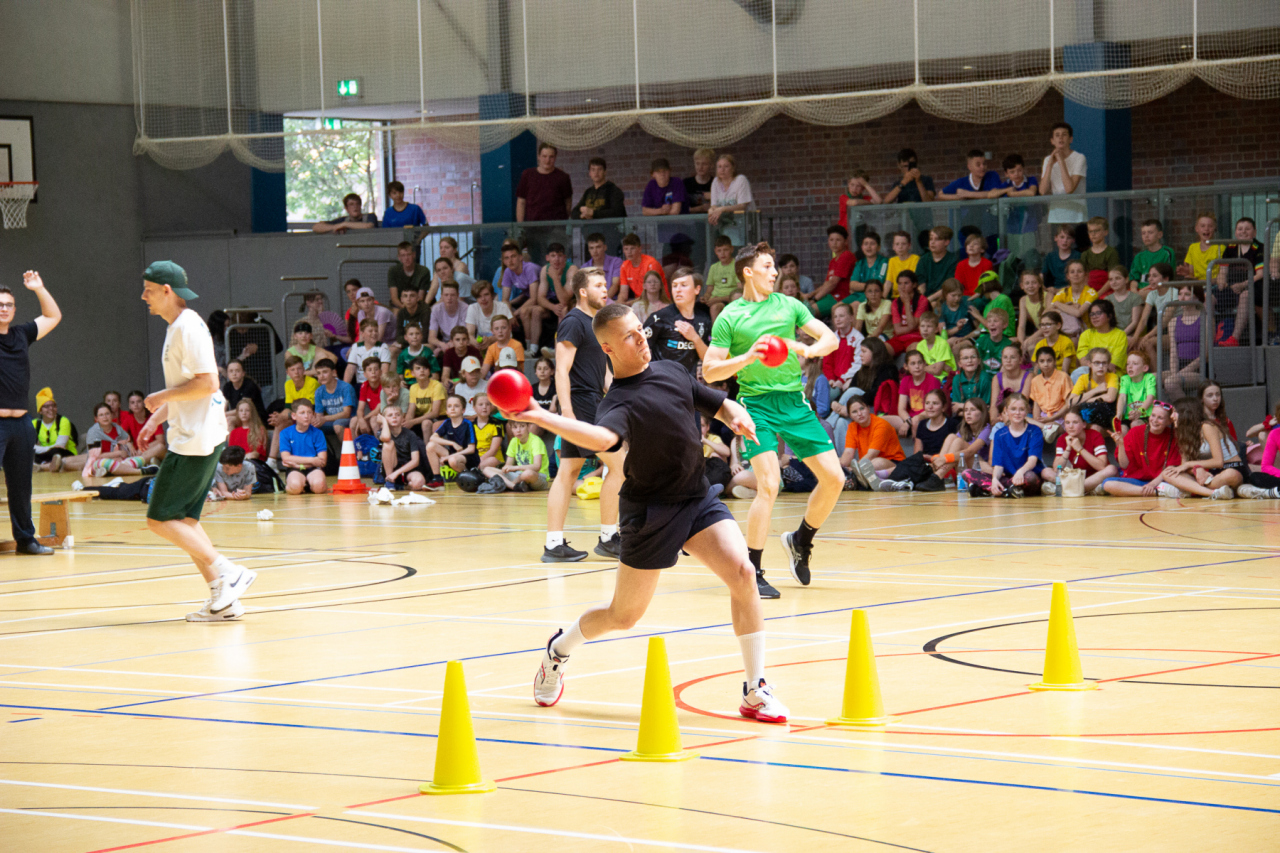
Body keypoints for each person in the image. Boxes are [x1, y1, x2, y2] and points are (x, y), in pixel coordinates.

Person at [516, 302, 789, 723]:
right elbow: (601, 439)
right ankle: (559, 650)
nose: (641, 338)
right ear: (608, 348)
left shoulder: (671, 371)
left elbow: (716, 404)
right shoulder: (617, 403)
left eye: (640, 330)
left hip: (696, 497)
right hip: (650, 513)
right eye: (628, 336)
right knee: (623, 616)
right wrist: (540, 416)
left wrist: (736, 413)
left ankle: (755, 690)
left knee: (743, 573)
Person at [703, 242, 842, 597]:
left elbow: (830, 339)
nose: (775, 271)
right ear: (748, 272)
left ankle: (801, 540)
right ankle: (753, 570)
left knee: (835, 479)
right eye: (767, 266)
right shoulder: (731, 316)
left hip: (794, 402)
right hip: (755, 406)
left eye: (774, 265)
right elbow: (710, 370)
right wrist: (748, 357)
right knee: (769, 484)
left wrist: (807, 348)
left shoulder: (790, 305)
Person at [135, 261, 255, 619]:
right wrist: (157, 417)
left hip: (195, 440)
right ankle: (223, 598)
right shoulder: (177, 326)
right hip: (196, 433)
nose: (143, 296)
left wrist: (160, 397)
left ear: (167, 291)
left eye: (148, 290)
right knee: (186, 520)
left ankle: (229, 572)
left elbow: (208, 383)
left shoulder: (188, 327)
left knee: (158, 519)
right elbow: (187, 388)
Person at [543, 268, 627, 562]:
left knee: (568, 472)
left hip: (593, 401)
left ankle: (554, 544)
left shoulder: (596, 325)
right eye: (598, 285)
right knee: (620, 466)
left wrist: (621, 398)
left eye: (605, 285)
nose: (605, 289)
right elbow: (561, 370)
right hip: (580, 404)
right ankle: (608, 537)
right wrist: (567, 412)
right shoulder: (573, 322)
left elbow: (604, 374)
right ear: (582, 291)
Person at [1159, 397, 1243, 499]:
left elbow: (1218, 462)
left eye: (1175, 412)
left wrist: (1192, 465)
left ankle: (1194, 490)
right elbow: (1183, 467)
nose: (1171, 416)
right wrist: (1196, 469)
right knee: (1168, 473)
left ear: (1187, 413)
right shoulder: (1183, 433)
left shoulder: (1207, 427)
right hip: (1210, 475)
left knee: (1231, 475)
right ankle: (1213, 493)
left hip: (1229, 469)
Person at [1102, 401, 1182, 497]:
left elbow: (1171, 468)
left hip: (1162, 481)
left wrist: (1152, 484)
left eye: (1160, 418)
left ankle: (1148, 491)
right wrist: (1121, 444)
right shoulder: (1135, 432)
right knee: (1107, 483)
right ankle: (1157, 492)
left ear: (1169, 421)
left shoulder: (1174, 436)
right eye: (1153, 415)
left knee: (1178, 483)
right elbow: (1124, 465)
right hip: (1138, 481)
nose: (1155, 420)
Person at [643, 267, 712, 377]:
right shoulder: (659, 318)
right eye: (674, 286)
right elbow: (637, 348)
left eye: (683, 285)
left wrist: (695, 338)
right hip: (662, 382)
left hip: (688, 383)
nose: (678, 290)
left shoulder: (703, 320)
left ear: (697, 289)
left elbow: (709, 359)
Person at [1040, 407, 1117, 496]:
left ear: (1084, 424)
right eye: (1067, 422)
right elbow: (1057, 469)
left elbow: (1102, 466)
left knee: (1111, 469)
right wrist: (1068, 448)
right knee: (1046, 471)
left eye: (1075, 422)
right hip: (1074, 477)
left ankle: (1067, 489)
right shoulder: (1062, 439)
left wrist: (1080, 449)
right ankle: (1084, 490)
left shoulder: (1095, 436)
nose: (1070, 426)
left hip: (1093, 478)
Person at [1218, 216, 1266, 347]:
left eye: (1247, 229)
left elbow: (1260, 274)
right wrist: (1221, 282)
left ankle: (1234, 338)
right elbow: (1222, 272)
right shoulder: (1230, 248)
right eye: (1240, 229)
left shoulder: (1260, 248)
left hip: (1254, 287)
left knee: (1245, 295)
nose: (1243, 232)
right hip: (1232, 287)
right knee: (1209, 298)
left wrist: (1242, 285)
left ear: (1254, 232)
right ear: (1235, 232)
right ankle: (1208, 341)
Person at [840, 397, 905, 481]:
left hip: (894, 463)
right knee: (837, 461)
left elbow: (872, 454)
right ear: (850, 416)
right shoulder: (852, 427)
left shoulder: (881, 425)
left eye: (862, 409)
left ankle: (859, 478)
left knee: (875, 463)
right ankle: (864, 479)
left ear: (868, 408)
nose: (859, 413)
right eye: (854, 412)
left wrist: (853, 470)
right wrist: (840, 466)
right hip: (866, 463)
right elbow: (848, 452)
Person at [1039, 121, 1088, 227]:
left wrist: (1061, 161)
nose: (1060, 138)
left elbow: (1069, 189)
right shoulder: (1047, 160)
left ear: (1070, 139)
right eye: (1057, 135)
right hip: (1056, 213)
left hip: (1076, 213)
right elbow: (1042, 191)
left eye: (1064, 135)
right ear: (1052, 141)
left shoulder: (1079, 158)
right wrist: (1050, 165)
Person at [498, 243, 545, 351]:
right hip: (527, 297)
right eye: (507, 258)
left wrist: (513, 315)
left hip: (544, 298)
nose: (510, 261)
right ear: (504, 261)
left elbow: (534, 299)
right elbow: (505, 299)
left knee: (523, 311)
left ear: (520, 257)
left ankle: (529, 348)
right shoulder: (508, 271)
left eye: (513, 256)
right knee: (503, 310)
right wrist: (509, 315)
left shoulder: (530, 268)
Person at [425, 394, 477, 490]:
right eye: (449, 406)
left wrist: (448, 457)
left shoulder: (468, 424)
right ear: (447, 411)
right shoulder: (447, 422)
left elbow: (471, 449)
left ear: (463, 410)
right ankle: (438, 480)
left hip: (467, 457)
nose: (452, 409)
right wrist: (452, 443)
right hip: (453, 455)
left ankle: (469, 477)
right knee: (430, 446)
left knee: (453, 460)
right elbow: (433, 438)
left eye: (456, 406)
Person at [482, 418, 549, 493]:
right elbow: (508, 465)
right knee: (487, 469)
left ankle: (509, 485)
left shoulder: (536, 441)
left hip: (537, 477)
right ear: (511, 429)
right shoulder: (514, 441)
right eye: (515, 427)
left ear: (528, 426)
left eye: (522, 426)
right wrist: (505, 468)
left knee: (527, 474)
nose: (518, 430)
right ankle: (513, 486)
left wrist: (515, 468)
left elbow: (537, 467)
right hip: (519, 475)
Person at [278, 399, 329, 495]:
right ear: (294, 416)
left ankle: (309, 485)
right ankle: (298, 485)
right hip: (295, 469)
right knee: (295, 487)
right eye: (302, 413)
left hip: (313, 468)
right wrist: (312, 460)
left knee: (319, 486)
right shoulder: (285, 433)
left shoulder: (318, 433)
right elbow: (286, 458)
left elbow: (322, 461)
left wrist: (297, 463)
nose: (306, 416)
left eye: (309, 412)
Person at [1163, 285, 1204, 399]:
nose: (1182, 298)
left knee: (1171, 382)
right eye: (1180, 294)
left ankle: (1187, 409)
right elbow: (1173, 352)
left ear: (1197, 298)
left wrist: (1180, 374)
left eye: (1187, 294)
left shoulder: (1205, 319)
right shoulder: (1173, 322)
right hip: (1179, 368)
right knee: (1149, 379)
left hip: (1199, 370)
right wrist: (1174, 373)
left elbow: (1205, 355)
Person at [516, 142, 574, 223]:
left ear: (555, 157)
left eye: (551, 157)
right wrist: (520, 225)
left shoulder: (563, 177)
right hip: (533, 225)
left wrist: (563, 223)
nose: (547, 160)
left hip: (556, 226)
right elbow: (521, 202)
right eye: (544, 156)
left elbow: (568, 202)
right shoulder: (527, 175)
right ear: (538, 156)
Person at [1027, 345, 1073, 439]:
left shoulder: (1063, 377)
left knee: (1050, 428)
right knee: (1021, 419)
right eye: (1042, 361)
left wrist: (1051, 418)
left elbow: (1068, 404)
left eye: (1049, 360)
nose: (1046, 364)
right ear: (1037, 363)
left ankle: (1045, 428)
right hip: (1043, 417)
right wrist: (1036, 420)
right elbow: (1036, 404)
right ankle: (1042, 427)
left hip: (1060, 417)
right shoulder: (1035, 380)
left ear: (1055, 361)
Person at [707, 153, 754, 244]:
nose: (722, 170)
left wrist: (723, 209)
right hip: (725, 227)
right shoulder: (715, 182)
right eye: (719, 167)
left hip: (744, 226)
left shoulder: (741, 180)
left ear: (733, 168)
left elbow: (742, 206)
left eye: (726, 166)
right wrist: (711, 211)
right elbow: (714, 205)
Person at [379, 404, 427, 491]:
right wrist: (384, 422)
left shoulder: (410, 434)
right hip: (391, 471)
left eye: (397, 415)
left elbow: (415, 461)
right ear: (385, 419)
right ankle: (390, 482)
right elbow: (386, 438)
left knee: (419, 482)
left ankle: (403, 486)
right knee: (388, 444)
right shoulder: (383, 433)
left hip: (407, 470)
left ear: (402, 418)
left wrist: (397, 473)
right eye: (390, 415)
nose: (394, 417)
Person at [1069, 348, 1119, 427]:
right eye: (1097, 363)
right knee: (1074, 410)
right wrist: (1095, 390)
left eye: (1104, 363)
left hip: (1107, 416)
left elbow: (1110, 398)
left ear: (1108, 364)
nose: (1101, 366)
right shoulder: (1083, 378)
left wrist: (1087, 400)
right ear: (1089, 363)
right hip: (1090, 417)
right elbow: (1071, 401)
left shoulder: (1112, 377)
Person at [31, 388, 76, 472]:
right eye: (46, 406)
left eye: (53, 405)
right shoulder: (34, 423)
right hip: (46, 454)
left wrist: (43, 449)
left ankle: (42, 466)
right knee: (28, 452)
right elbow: (30, 446)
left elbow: (60, 445)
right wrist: (48, 448)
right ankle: (48, 465)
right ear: (40, 411)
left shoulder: (63, 421)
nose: (51, 408)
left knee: (56, 451)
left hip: (64, 453)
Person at [886, 270, 929, 355]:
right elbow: (898, 330)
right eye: (900, 283)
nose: (902, 287)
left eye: (906, 283)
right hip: (899, 338)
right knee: (882, 349)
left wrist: (907, 303)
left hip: (916, 337)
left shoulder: (922, 300)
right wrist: (911, 327)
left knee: (914, 351)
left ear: (914, 285)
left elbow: (912, 324)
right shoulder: (895, 302)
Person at [311, 358, 356, 438]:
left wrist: (324, 418)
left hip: (350, 419)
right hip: (331, 420)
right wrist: (315, 421)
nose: (321, 376)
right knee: (309, 426)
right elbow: (319, 415)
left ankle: (348, 446)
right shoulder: (319, 391)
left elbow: (346, 414)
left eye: (325, 372)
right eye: (318, 373)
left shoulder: (345, 387)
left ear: (334, 372)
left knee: (337, 425)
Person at [1077, 299, 1127, 371]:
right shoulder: (1086, 334)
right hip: (1089, 372)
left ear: (1109, 316)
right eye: (1092, 314)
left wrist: (1095, 366)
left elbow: (1112, 365)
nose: (1094, 317)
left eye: (1098, 313)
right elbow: (1084, 362)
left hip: (1112, 374)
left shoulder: (1120, 335)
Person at [617, 234, 666, 307]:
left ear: (639, 249)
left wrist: (628, 303)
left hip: (658, 301)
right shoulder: (624, 266)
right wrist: (619, 303)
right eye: (626, 249)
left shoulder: (651, 264)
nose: (629, 252)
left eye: (632, 248)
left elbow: (652, 292)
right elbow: (623, 293)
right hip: (639, 303)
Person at [915, 226, 959, 305]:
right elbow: (921, 285)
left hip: (944, 298)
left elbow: (949, 287)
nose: (932, 242)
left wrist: (928, 300)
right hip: (926, 298)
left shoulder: (953, 260)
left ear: (946, 242)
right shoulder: (923, 259)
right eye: (931, 239)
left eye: (937, 239)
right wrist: (921, 300)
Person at [1176, 211, 1224, 281]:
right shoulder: (1192, 248)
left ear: (1215, 228)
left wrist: (1204, 282)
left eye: (1210, 226)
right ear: (1196, 229)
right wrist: (1187, 272)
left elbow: (1222, 276)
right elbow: (1192, 274)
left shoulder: (1220, 248)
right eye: (1202, 226)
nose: (1206, 229)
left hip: (1213, 285)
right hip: (1197, 285)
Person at [406, 356, 446, 441]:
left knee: (426, 423)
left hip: (441, 418)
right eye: (418, 368)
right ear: (412, 373)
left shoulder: (437, 386)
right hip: (422, 418)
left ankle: (427, 449)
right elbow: (411, 411)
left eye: (425, 368)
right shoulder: (413, 388)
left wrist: (412, 422)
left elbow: (435, 413)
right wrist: (406, 423)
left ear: (429, 371)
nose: (422, 371)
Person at [703, 234, 743, 317]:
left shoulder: (737, 265)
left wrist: (718, 299)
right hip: (715, 301)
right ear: (715, 251)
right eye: (719, 250)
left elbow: (740, 291)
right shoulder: (713, 267)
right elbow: (709, 289)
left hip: (731, 300)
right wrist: (706, 297)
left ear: (731, 249)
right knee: (714, 307)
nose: (722, 253)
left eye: (725, 250)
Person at [574, 232, 623, 296]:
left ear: (605, 247)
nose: (595, 251)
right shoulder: (585, 267)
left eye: (598, 247)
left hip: (612, 299)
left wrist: (602, 300)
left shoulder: (616, 262)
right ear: (588, 250)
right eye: (591, 248)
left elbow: (615, 285)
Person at [938, 150, 1002, 199]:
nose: (982, 167)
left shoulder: (992, 176)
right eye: (978, 165)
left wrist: (968, 194)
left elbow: (996, 193)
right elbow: (940, 195)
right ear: (969, 167)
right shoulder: (961, 182)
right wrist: (958, 197)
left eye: (984, 164)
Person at [1117, 351, 1157, 429]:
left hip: (1145, 416)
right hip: (1129, 417)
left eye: (1135, 364)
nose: (1130, 366)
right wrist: (1119, 413)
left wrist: (1139, 411)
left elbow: (1150, 397)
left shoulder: (1149, 378)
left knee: (1135, 424)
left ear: (1145, 368)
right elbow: (1122, 397)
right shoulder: (1125, 379)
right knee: (1121, 430)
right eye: (1128, 364)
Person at [428, 282, 470, 355]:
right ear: (441, 296)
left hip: (461, 341)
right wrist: (441, 345)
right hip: (443, 342)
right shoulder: (436, 309)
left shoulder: (465, 308)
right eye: (446, 295)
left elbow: (465, 334)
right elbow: (431, 338)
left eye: (452, 295)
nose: (449, 298)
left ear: (457, 295)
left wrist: (450, 344)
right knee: (427, 348)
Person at [1130, 219, 1176, 286]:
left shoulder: (1167, 253)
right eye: (1143, 233)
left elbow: (1167, 279)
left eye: (1150, 232)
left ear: (1159, 235)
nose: (1146, 236)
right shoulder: (1139, 256)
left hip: (1159, 290)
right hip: (1141, 291)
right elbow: (1133, 279)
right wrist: (1134, 290)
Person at [949, 343, 992, 415]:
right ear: (959, 364)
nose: (969, 360)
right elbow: (955, 408)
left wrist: (962, 406)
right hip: (961, 417)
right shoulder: (956, 379)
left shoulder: (985, 378)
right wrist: (976, 408)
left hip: (981, 418)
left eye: (973, 357)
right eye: (965, 358)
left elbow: (985, 408)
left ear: (979, 361)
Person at [345, 319, 392, 384]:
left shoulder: (383, 347)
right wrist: (345, 387)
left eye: (376, 331)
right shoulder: (356, 347)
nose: (374, 333)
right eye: (370, 331)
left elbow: (385, 371)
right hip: (361, 384)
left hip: (377, 384)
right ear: (362, 334)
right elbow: (350, 369)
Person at [387, 240, 431, 310]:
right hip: (399, 305)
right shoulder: (393, 271)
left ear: (414, 255)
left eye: (409, 254)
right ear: (399, 258)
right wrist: (404, 309)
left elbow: (421, 297)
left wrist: (411, 310)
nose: (406, 258)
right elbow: (394, 297)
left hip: (418, 305)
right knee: (396, 314)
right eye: (403, 255)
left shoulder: (424, 271)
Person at [1081, 217, 1120, 291]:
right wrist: (1090, 293)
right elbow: (1083, 277)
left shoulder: (1111, 252)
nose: (1093, 234)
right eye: (1090, 231)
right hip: (1089, 290)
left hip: (1106, 290)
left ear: (1105, 232)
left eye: (1097, 231)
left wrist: (1098, 294)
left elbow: (1113, 277)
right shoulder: (1085, 254)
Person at [848, 232, 888, 300]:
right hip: (858, 295)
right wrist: (868, 286)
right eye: (866, 244)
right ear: (862, 247)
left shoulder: (884, 263)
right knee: (838, 305)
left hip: (874, 296)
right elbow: (852, 285)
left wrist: (859, 286)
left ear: (878, 247)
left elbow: (877, 286)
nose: (869, 247)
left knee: (854, 305)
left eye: (872, 244)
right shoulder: (859, 263)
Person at [312, 193, 378, 233]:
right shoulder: (343, 220)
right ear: (346, 208)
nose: (355, 207)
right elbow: (316, 227)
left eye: (357, 204)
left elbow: (369, 226)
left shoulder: (370, 216)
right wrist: (335, 227)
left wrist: (345, 225)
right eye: (351, 204)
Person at [1042, 224, 1080, 292]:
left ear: (1073, 240)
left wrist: (1058, 290)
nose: (1065, 241)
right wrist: (1041, 285)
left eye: (1068, 238)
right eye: (1062, 237)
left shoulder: (1078, 256)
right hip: (1054, 289)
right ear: (1055, 238)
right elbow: (1042, 274)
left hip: (1073, 289)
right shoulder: (1050, 257)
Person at [953, 232, 993, 297]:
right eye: (968, 244)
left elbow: (986, 286)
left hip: (981, 296)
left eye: (975, 244)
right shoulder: (960, 265)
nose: (971, 246)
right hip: (964, 297)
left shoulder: (987, 264)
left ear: (982, 249)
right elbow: (958, 285)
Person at [883, 232, 918, 297]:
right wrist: (882, 298)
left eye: (903, 244)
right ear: (893, 247)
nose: (900, 247)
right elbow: (888, 282)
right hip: (895, 298)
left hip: (910, 296)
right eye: (897, 244)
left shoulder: (915, 259)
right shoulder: (892, 260)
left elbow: (913, 281)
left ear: (909, 246)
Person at [683, 147, 716, 214]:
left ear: (711, 165)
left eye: (704, 164)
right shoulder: (686, 183)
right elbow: (681, 209)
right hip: (691, 219)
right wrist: (701, 208)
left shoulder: (716, 183)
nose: (700, 167)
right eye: (697, 163)